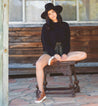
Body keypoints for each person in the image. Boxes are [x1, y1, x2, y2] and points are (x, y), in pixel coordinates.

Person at [35, 3, 87, 103]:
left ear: (57, 13)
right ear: (48, 16)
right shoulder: (45, 27)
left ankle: (56, 60)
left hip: (63, 52)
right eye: (49, 14)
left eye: (53, 12)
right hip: (49, 53)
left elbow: (67, 42)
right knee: (38, 64)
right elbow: (45, 44)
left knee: (83, 54)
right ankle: (41, 92)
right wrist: (54, 54)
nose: (52, 15)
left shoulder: (65, 25)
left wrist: (64, 53)